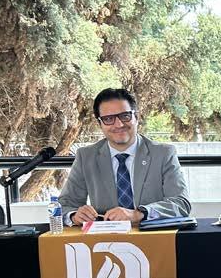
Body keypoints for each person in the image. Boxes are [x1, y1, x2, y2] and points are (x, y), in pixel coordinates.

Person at [59, 88, 190, 226]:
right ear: (100, 124)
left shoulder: (163, 154)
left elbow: (181, 203)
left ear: (136, 117)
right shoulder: (86, 157)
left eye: (125, 116)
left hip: (152, 235)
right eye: (108, 119)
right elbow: (64, 205)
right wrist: (74, 216)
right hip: (105, 236)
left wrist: (139, 214)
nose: (119, 124)